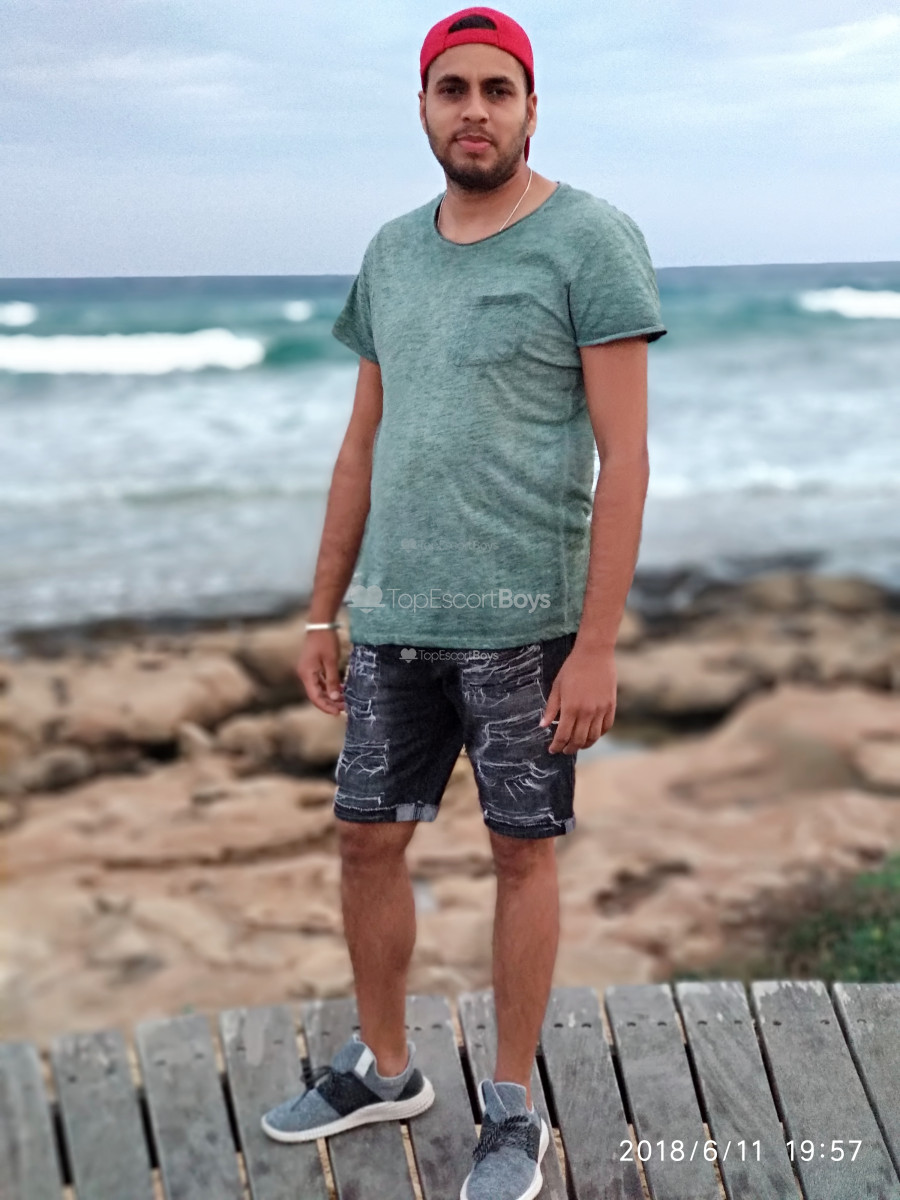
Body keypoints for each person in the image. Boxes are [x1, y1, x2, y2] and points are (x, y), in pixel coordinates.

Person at [261, 6, 666, 1198]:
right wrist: (322, 610)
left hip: (528, 626)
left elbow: (627, 459)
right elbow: (362, 443)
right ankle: (387, 1067)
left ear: (532, 107)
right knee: (363, 840)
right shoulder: (392, 251)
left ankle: (511, 1104)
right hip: (394, 620)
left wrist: (598, 645)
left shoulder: (589, 240)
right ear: (425, 107)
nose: (475, 110)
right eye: (454, 90)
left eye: (498, 89)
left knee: (519, 857)